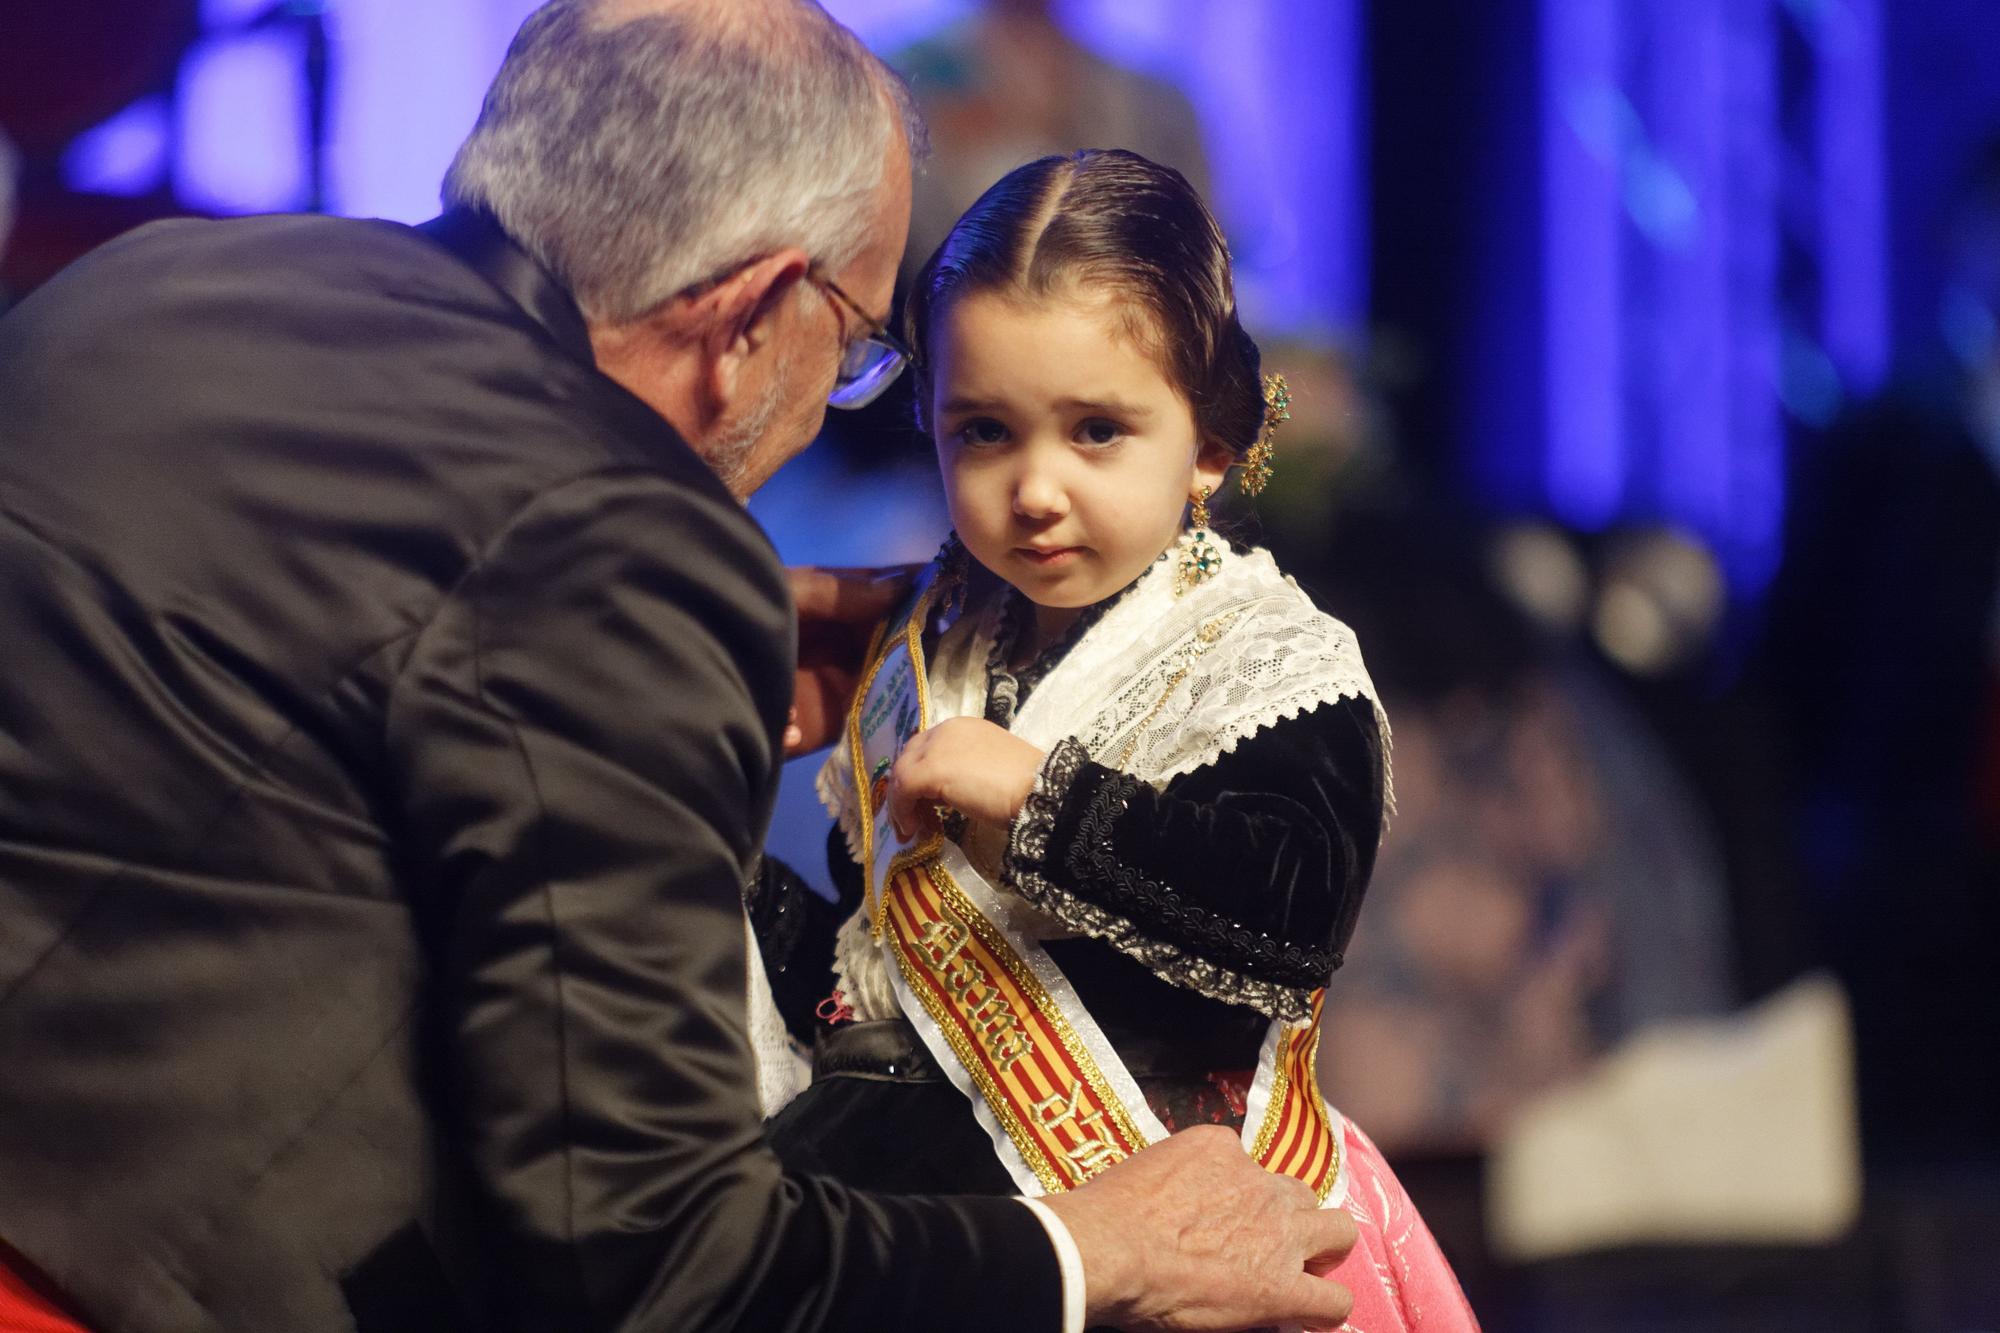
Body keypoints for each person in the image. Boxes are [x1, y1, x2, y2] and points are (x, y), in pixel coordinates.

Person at [0, 4, 1360, 1332]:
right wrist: (1084, 1252)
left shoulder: (157, 281)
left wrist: (628, 684)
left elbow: (256, 665)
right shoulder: (629, 558)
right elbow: (652, 1261)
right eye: (865, 348)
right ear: (752, 318)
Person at [747, 149, 1478, 1331]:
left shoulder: (1268, 655)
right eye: (983, 431)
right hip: (952, 1222)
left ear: (1208, 441)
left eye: (1094, 431)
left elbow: (1290, 914)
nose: (1033, 488)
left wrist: (1046, 805)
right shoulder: (931, 638)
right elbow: (867, 946)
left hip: (1184, 1232)